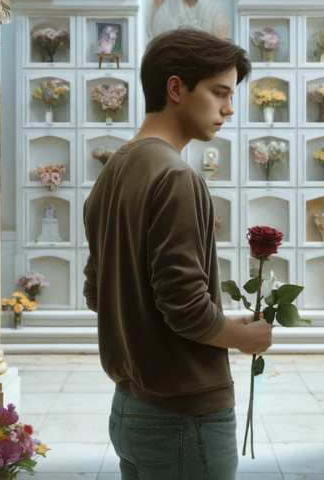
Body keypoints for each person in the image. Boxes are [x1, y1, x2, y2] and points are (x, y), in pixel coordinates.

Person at [83, 27, 273, 479]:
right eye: (219, 92)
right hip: (183, 417)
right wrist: (245, 337)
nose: (229, 108)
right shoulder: (175, 176)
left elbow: (98, 294)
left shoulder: (112, 172)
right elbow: (185, 310)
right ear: (175, 88)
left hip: (130, 406)